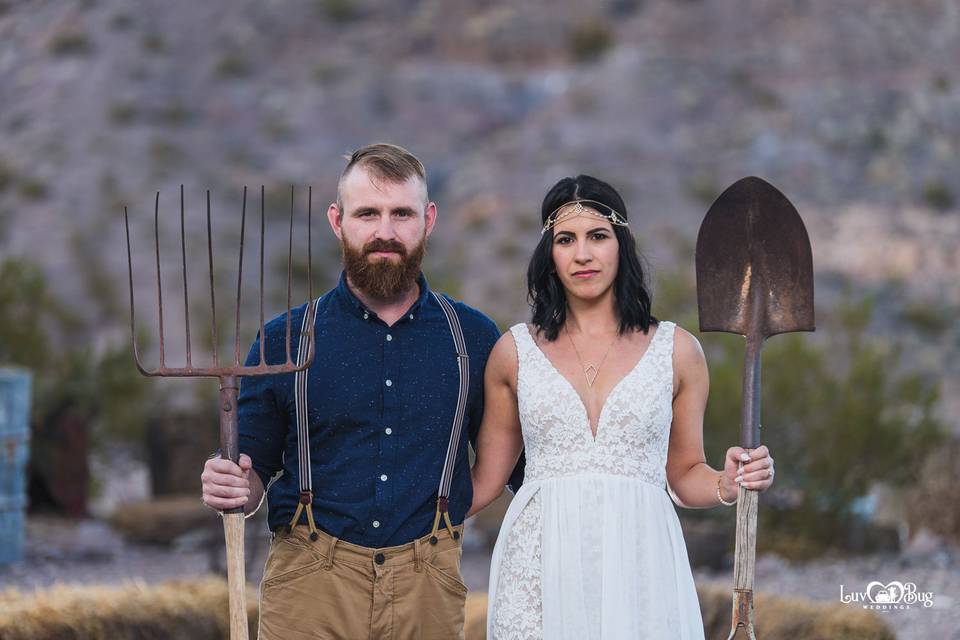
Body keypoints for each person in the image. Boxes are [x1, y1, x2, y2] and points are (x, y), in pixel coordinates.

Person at [201, 143, 502, 639]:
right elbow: (251, 466)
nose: (385, 232)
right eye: (368, 214)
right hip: (309, 585)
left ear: (428, 219)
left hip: (428, 585)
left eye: (401, 213)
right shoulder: (285, 338)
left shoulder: (471, 337)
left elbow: (512, 462)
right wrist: (232, 484)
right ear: (337, 221)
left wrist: (442, 510)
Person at [469, 175, 776, 639]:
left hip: (641, 558)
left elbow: (685, 473)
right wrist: (400, 512)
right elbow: (485, 482)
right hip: (538, 563)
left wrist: (727, 482)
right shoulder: (513, 352)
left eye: (598, 236)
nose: (583, 254)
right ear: (549, 254)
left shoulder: (677, 351)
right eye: (566, 240)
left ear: (621, 244)